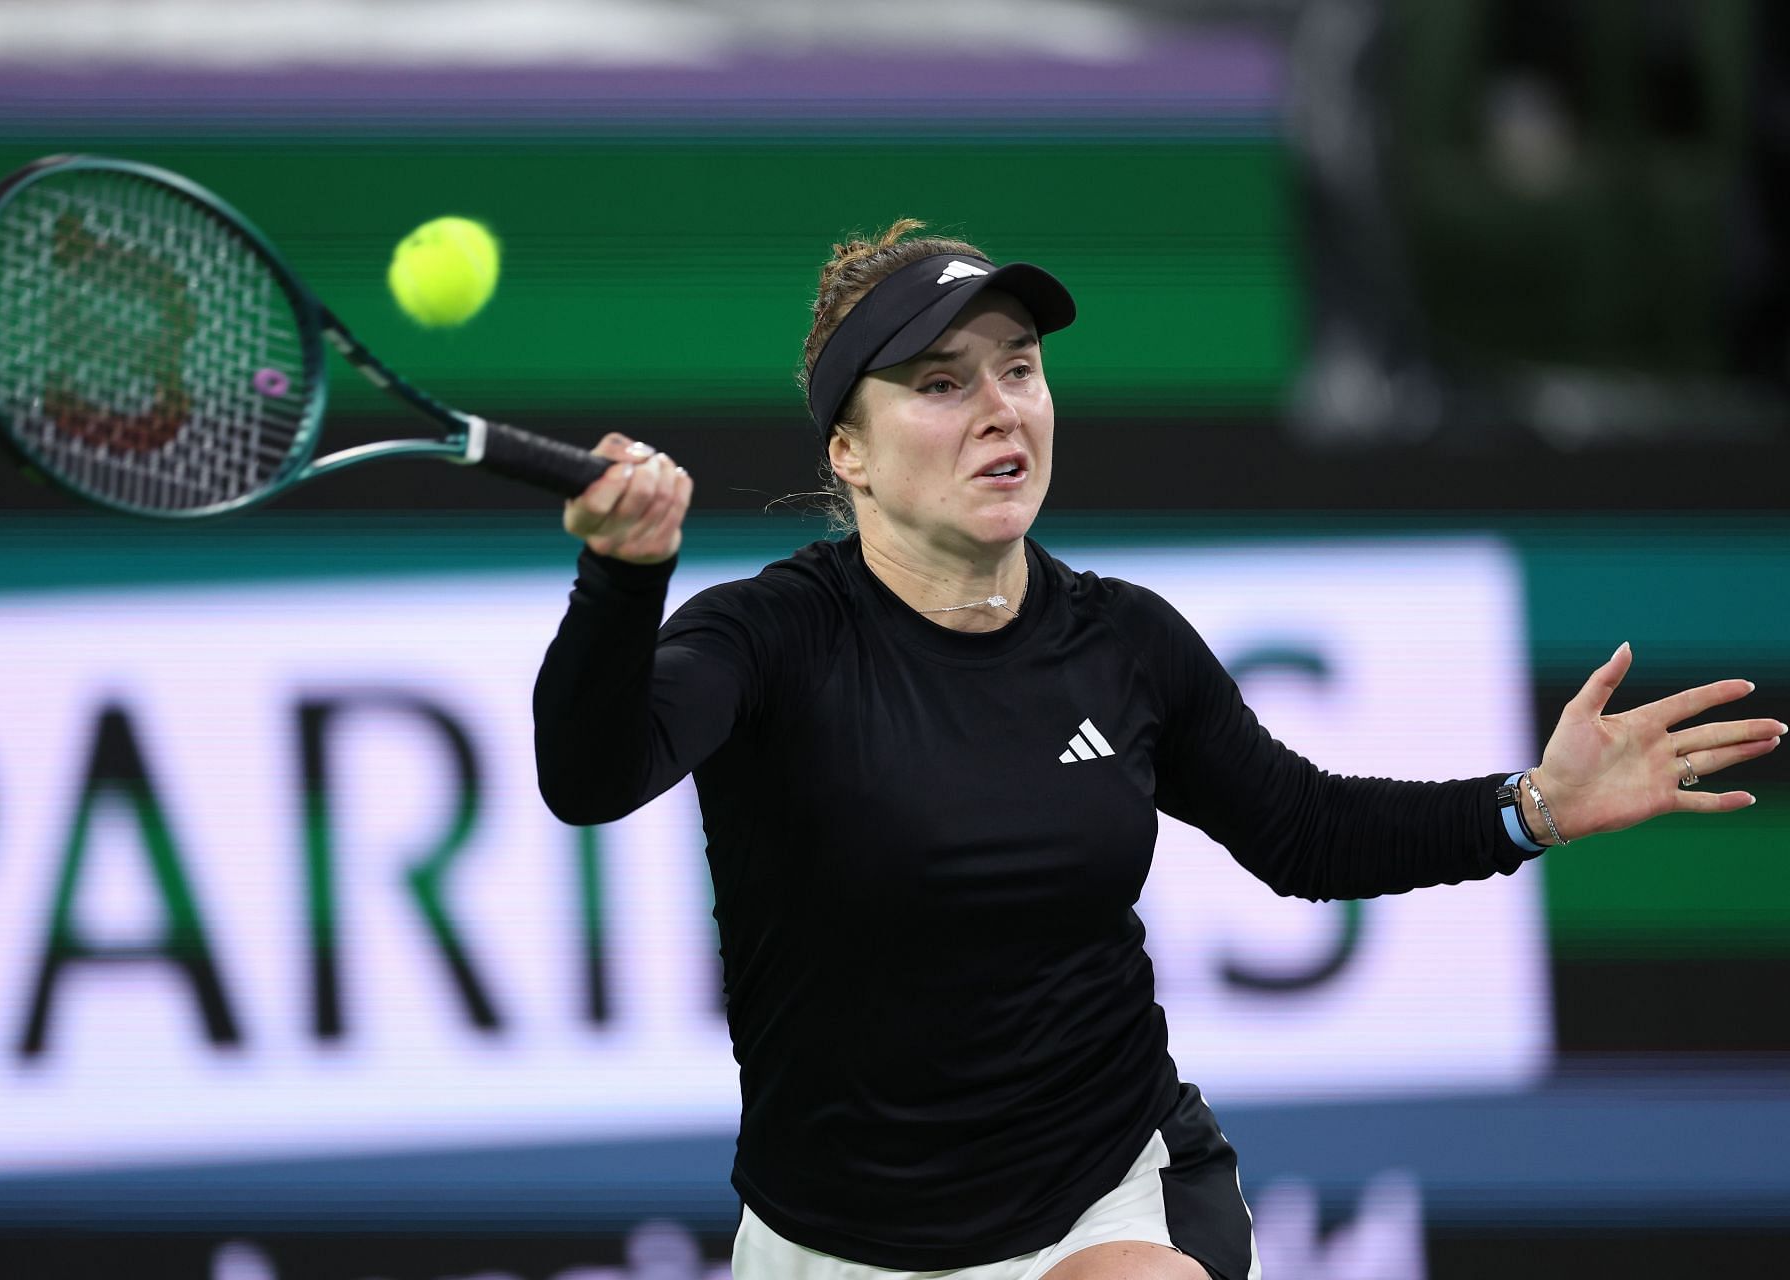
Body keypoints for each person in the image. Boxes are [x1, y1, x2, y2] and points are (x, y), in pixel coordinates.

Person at [531, 221, 1781, 1280]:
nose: (1000, 407)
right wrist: (620, 580)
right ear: (846, 452)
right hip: (829, 1236)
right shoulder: (768, 636)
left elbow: (1305, 831)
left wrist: (1533, 805)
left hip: (1105, 1200)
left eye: (1018, 369)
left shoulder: (1123, 643)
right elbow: (590, 777)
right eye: (941, 382)